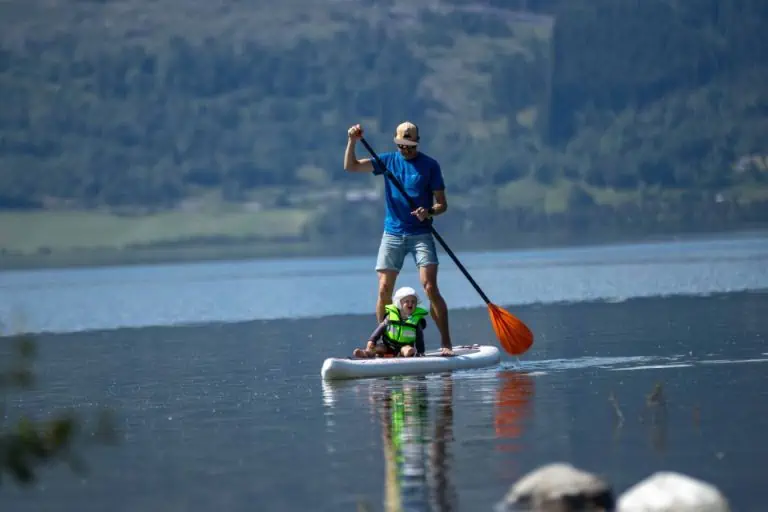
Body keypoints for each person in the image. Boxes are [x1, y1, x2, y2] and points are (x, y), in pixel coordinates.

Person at [344, 121, 453, 356]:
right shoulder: (388, 161)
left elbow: (442, 204)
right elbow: (351, 167)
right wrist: (352, 141)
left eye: (411, 146)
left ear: (417, 143)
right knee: (384, 288)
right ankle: (386, 345)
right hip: (392, 233)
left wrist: (429, 212)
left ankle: (446, 342)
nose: (407, 150)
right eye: (403, 146)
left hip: (421, 233)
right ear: (397, 143)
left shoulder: (430, 166)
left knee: (430, 287)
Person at [353, 286, 429, 358]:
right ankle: (366, 353)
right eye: (407, 301)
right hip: (387, 346)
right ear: (399, 303)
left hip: (403, 347)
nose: (410, 304)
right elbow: (380, 329)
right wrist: (372, 340)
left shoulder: (416, 321)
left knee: (407, 349)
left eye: (413, 302)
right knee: (379, 348)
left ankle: (409, 354)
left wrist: (421, 352)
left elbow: (420, 338)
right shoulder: (390, 317)